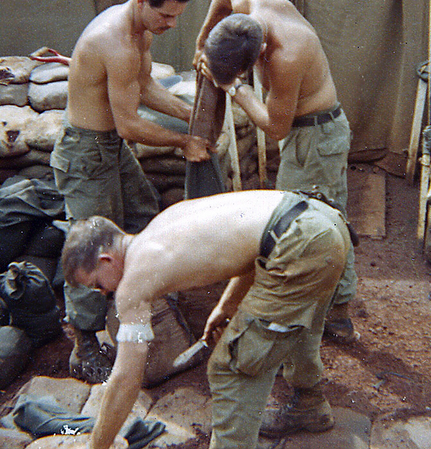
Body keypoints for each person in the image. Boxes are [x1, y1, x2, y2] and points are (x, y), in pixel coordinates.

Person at [62, 189, 351, 449]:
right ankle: (309, 404)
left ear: (105, 260)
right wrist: (227, 305)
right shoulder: (161, 225)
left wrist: (97, 445)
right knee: (297, 320)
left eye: (97, 284)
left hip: (302, 244)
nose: (103, 293)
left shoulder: (132, 285)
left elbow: (126, 378)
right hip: (320, 219)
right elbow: (260, 243)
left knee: (230, 368)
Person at [50, 0, 211, 384]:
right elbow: (130, 122)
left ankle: (156, 304)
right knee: (88, 245)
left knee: (143, 217)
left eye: (178, 15)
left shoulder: (140, 33)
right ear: (142, 1)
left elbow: (145, 86)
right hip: (86, 154)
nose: (172, 24)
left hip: (111, 148)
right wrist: (184, 140)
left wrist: (189, 114)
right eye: (167, 15)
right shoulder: (116, 41)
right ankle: (84, 345)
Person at [194, 0, 357, 344]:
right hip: (303, 134)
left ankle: (337, 313)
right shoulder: (247, 4)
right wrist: (204, 38)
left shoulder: (287, 55)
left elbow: (275, 127)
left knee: (310, 224)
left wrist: (234, 88)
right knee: (310, 220)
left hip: (315, 139)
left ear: (257, 58)